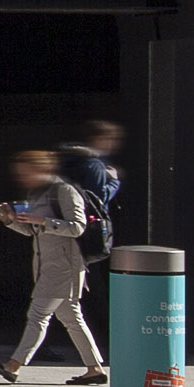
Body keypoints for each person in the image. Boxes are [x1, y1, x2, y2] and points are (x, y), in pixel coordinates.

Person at [0, 148, 108, 384]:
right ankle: (95, 369)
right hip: (47, 264)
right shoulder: (38, 193)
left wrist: (42, 220)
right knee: (72, 318)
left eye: (26, 172)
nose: (23, 178)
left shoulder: (64, 190)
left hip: (64, 265)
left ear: (41, 169)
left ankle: (14, 365)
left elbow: (76, 227)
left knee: (38, 314)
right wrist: (8, 219)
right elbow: (31, 231)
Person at [57, 118, 124, 299]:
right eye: (109, 139)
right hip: (91, 227)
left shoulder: (66, 160)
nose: (112, 144)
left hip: (65, 221)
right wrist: (114, 181)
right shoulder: (93, 164)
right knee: (94, 276)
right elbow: (98, 198)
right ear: (97, 139)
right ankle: (102, 321)